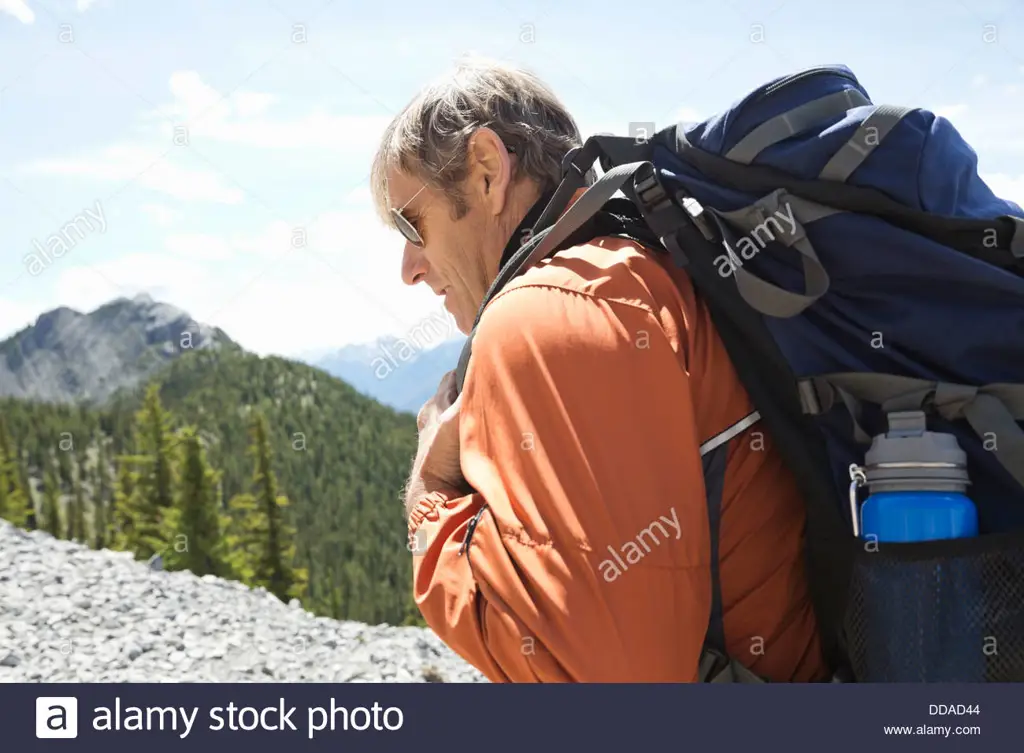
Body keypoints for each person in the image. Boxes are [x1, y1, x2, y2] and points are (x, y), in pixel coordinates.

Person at [370, 56, 825, 683]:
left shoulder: (544, 313)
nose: (408, 268)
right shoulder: (647, 268)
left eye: (409, 223)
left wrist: (431, 492)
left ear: (485, 172)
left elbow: (615, 685)